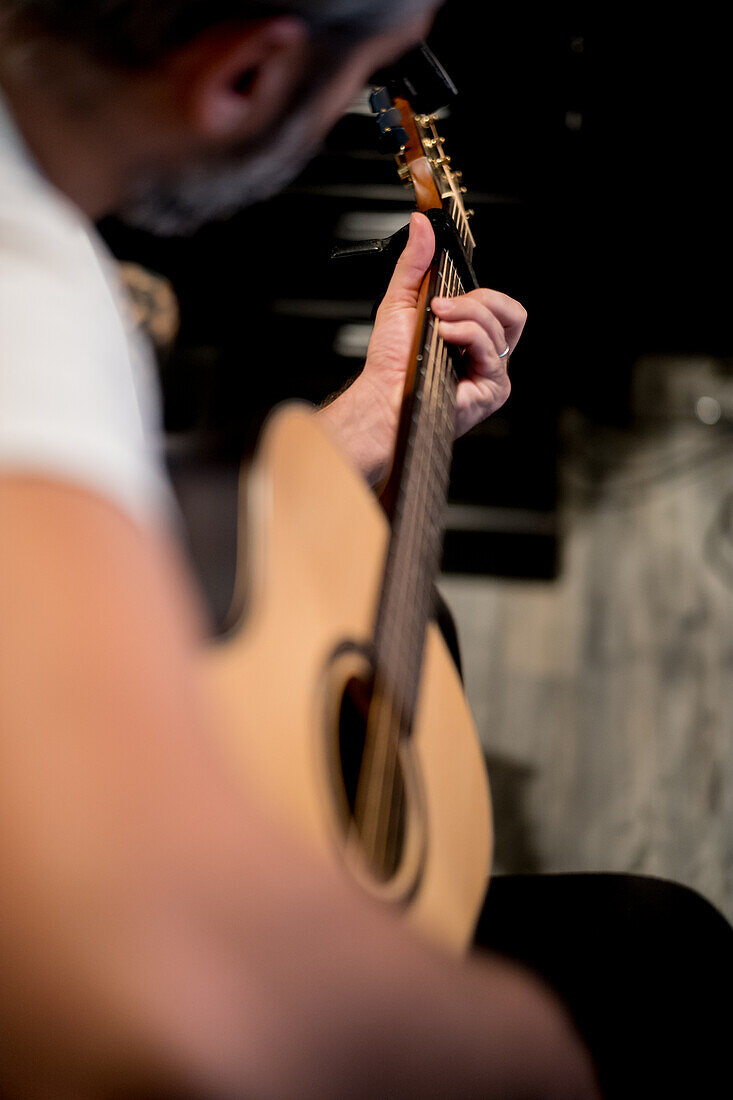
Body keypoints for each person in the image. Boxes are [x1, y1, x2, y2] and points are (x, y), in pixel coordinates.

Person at [0, 2, 728, 1098]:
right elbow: (146, 988)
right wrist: (523, 1055)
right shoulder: (30, 291)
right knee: (661, 956)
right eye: (352, 92)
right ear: (244, 76)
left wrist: (369, 417)